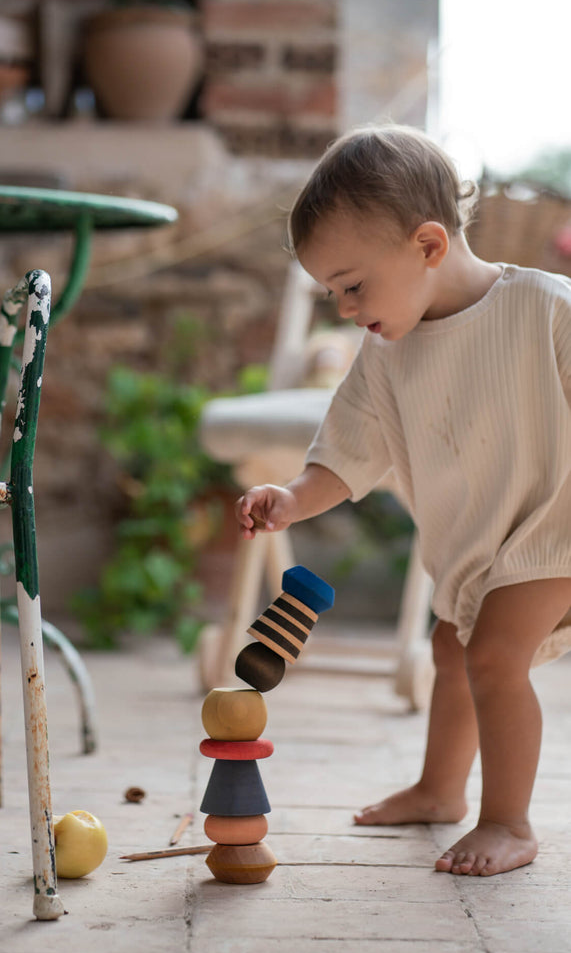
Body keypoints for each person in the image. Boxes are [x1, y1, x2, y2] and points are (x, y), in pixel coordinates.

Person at [235, 125, 571, 877]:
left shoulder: (546, 308)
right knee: (449, 650)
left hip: (554, 530)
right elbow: (349, 447)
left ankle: (509, 822)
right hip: (471, 543)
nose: (346, 309)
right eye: (331, 294)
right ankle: (437, 789)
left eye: (353, 286)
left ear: (426, 245)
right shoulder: (387, 352)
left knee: (490, 657)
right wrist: (290, 497)